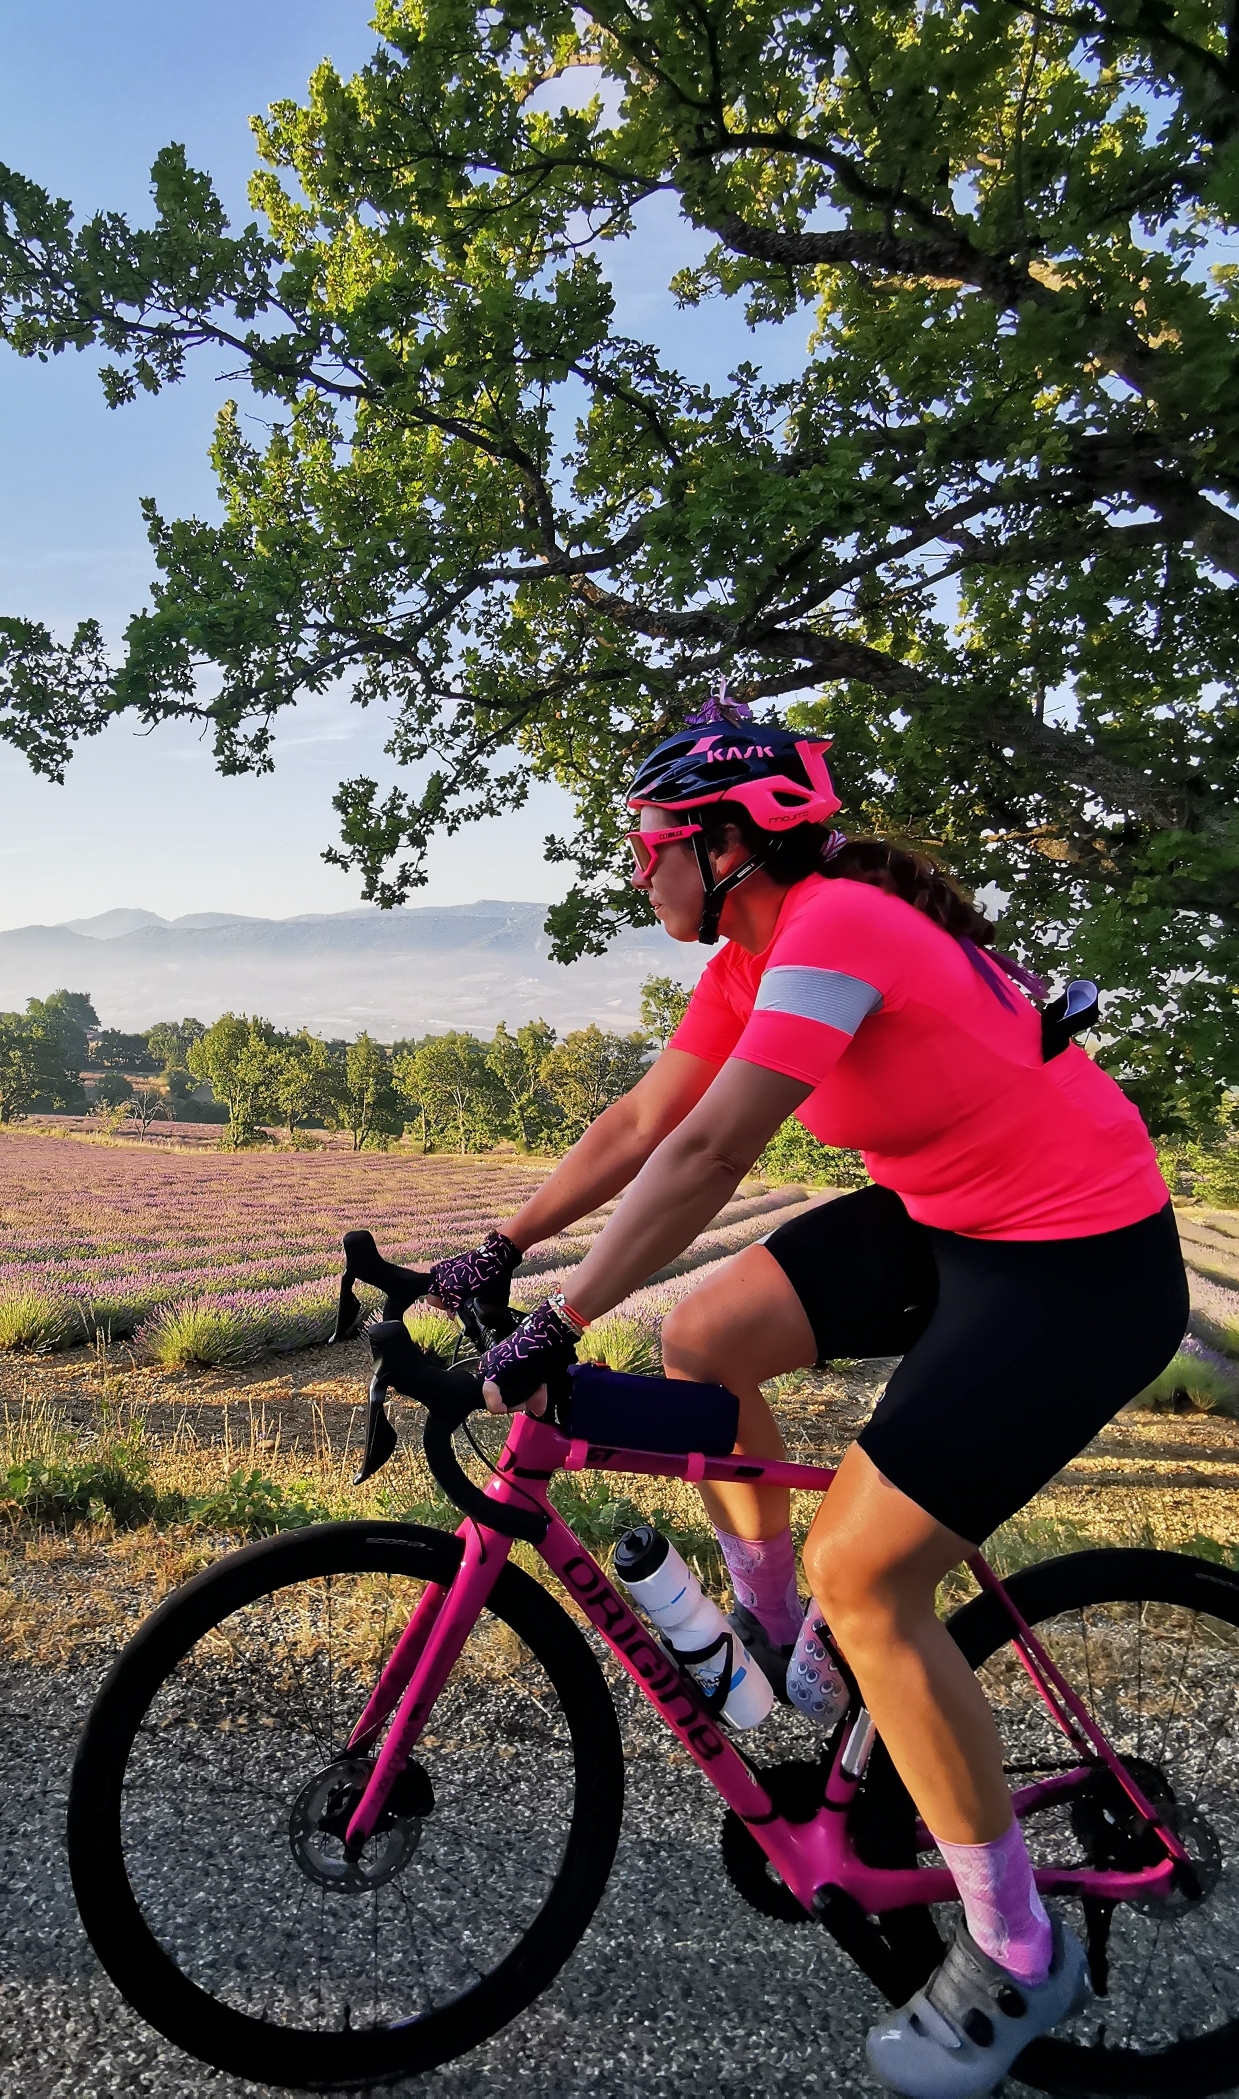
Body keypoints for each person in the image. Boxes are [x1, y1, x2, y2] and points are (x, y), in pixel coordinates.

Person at [426, 694, 1187, 2099]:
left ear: (728, 840)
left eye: (646, 842)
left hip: (1078, 1268)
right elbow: (641, 1122)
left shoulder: (837, 926)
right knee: (706, 1337)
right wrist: (504, 1244)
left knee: (872, 1572)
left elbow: (717, 1149)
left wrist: (565, 1317)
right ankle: (780, 1640)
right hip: (953, 1219)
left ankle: (1019, 1953)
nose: (633, 869)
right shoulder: (753, 951)